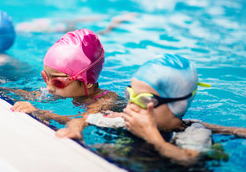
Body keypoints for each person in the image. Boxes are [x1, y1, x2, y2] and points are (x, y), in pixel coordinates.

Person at [86, 53, 246, 166]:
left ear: (177, 106)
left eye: (145, 100)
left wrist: (151, 136)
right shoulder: (127, 120)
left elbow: (189, 159)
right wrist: (74, 126)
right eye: (130, 95)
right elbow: (84, 119)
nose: (131, 106)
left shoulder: (195, 132)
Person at [0, 29, 126, 139]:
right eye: (45, 77)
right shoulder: (65, 91)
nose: (49, 87)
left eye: (58, 82)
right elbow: (31, 95)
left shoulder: (106, 100)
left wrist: (38, 112)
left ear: (87, 82)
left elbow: (80, 119)